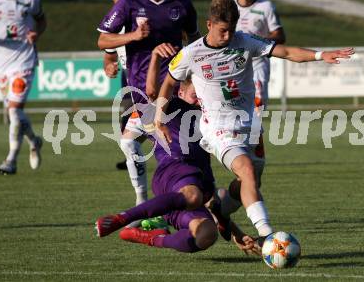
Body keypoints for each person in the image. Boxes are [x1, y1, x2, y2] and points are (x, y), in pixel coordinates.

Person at [154, 0, 354, 242]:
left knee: (250, 182)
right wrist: (159, 119)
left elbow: (287, 52)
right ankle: (269, 237)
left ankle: (219, 208)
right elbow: (168, 84)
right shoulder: (191, 54)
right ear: (209, 24)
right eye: (222, 31)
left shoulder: (245, 42)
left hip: (249, 125)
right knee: (247, 171)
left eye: (232, 30)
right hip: (219, 129)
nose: (228, 36)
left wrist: (321, 55)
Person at [96, 78, 258, 254]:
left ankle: (152, 238)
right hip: (172, 172)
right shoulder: (169, 107)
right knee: (195, 196)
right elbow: (150, 91)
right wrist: (157, 56)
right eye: (195, 95)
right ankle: (121, 218)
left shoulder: (209, 121)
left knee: (206, 234)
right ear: (180, 93)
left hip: (195, 184)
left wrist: (237, 233)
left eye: (203, 97)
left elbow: (212, 204)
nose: (199, 100)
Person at [97, 0, 200, 222]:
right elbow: (102, 41)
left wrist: (195, 79)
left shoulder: (182, 5)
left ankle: (188, 206)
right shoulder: (130, 3)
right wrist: (135, 35)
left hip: (173, 95)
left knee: (177, 154)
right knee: (130, 142)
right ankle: (143, 203)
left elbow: (197, 42)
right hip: (142, 94)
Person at [0, 0, 46, 175]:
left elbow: (42, 21)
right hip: (2, 66)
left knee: (14, 110)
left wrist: (36, 33)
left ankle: (11, 160)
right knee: (16, 113)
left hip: (25, 62)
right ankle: (34, 140)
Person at [234, 0, 286, 111]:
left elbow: (280, 36)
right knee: (234, 109)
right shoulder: (230, 6)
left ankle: (257, 132)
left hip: (258, 63)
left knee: (258, 108)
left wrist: (256, 41)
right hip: (233, 65)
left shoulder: (266, 6)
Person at [101, 0, 134, 171]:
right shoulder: (112, 22)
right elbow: (109, 57)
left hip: (158, 76)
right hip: (129, 77)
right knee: (126, 129)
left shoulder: (147, 13)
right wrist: (109, 67)